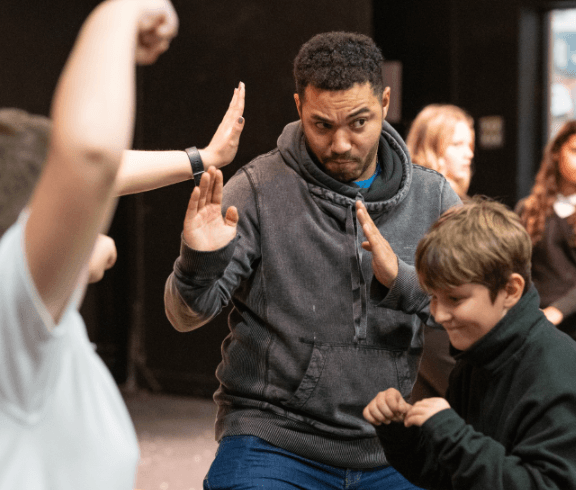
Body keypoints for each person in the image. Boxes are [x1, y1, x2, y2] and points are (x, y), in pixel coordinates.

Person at [164, 31, 460, 489]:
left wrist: (402, 282)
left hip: (390, 442)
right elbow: (184, 316)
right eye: (323, 125)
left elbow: (471, 312)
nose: (341, 143)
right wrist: (198, 262)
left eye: (358, 123)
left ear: (384, 102)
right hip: (274, 436)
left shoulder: (434, 197)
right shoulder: (257, 189)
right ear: (300, 106)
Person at [0, 1, 244, 488]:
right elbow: (90, 159)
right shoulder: (14, 328)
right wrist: (122, 12)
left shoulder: (40, 326)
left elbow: (104, 171)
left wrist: (203, 158)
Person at [364, 198, 576, 490]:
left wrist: (454, 435)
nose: (437, 314)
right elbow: (447, 476)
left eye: (455, 299)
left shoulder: (557, 372)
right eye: (433, 297)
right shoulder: (475, 361)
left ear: (510, 290)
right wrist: (400, 433)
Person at [405, 104, 475, 401]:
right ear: (430, 147)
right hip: (432, 332)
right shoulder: (421, 203)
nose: (469, 153)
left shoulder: (461, 202)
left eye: (469, 144)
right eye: (457, 144)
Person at [517, 120, 576, 341]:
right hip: (534, 325)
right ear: (557, 153)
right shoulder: (528, 208)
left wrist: (558, 310)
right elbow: (516, 266)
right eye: (574, 151)